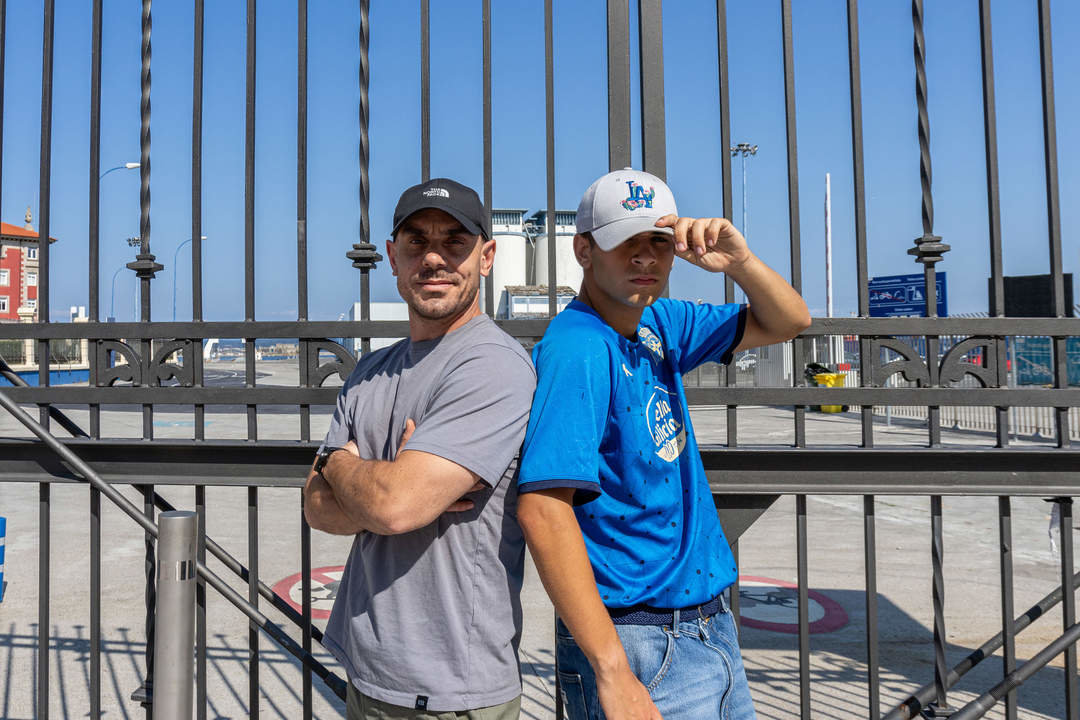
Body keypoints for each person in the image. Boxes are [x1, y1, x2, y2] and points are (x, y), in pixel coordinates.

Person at [516, 168, 810, 719]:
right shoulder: (579, 349)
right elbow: (542, 508)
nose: (645, 257)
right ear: (584, 250)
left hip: (707, 623)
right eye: (625, 241)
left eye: (658, 241)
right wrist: (612, 671)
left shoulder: (659, 323)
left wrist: (739, 262)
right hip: (639, 639)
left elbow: (789, 320)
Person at [304, 178, 536, 719]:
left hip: (450, 689)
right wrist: (379, 483)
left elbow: (393, 506)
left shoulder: (491, 366)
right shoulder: (370, 371)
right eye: (416, 242)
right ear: (392, 256)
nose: (434, 257)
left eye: (455, 241)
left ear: (487, 256)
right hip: (366, 669)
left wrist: (342, 464)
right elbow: (316, 507)